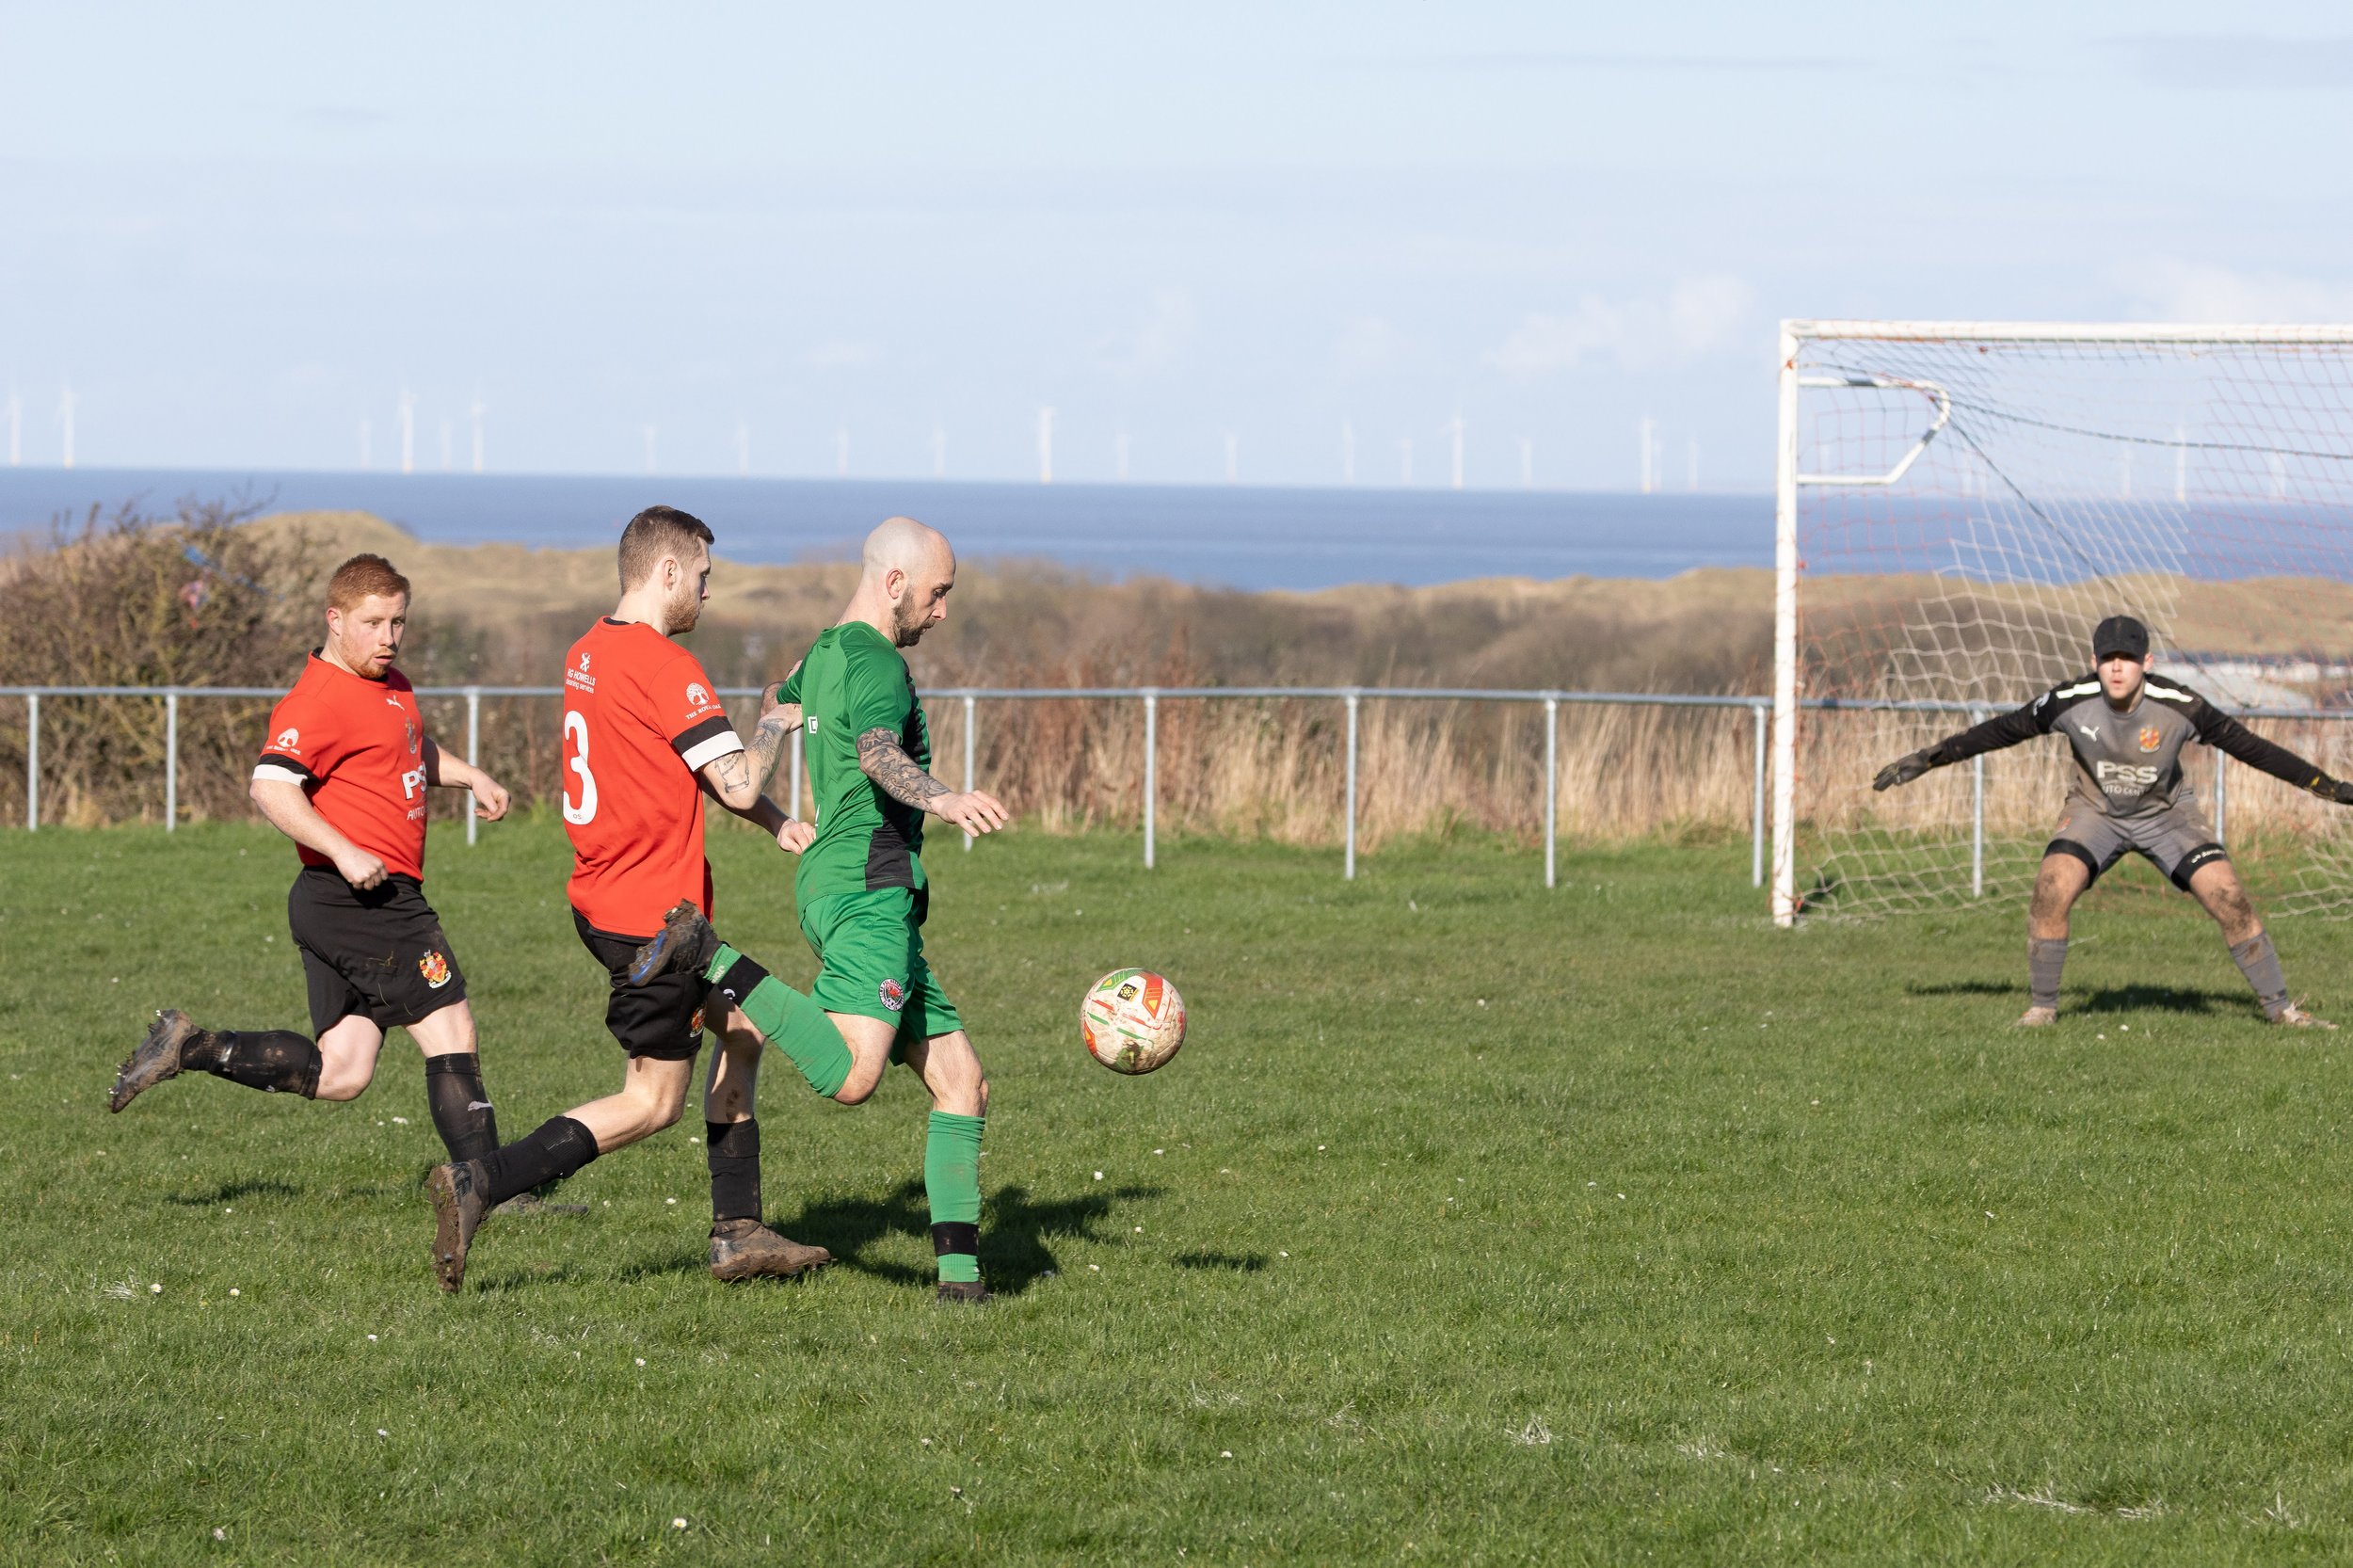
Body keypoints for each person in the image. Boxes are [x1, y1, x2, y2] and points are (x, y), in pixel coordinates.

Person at [424, 505, 830, 1291]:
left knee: (741, 1027)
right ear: (668, 570)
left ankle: (739, 1230)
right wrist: (777, 722)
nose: (709, 593)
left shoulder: (589, 651)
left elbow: (677, 768)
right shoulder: (667, 666)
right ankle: (485, 1183)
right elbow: (735, 773)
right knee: (651, 1101)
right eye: (705, 576)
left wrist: (774, 821)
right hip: (657, 923)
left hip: (604, 898)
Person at [628, 515, 1010, 1303]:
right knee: (853, 1077)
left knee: (961, 1081)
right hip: (868, 887)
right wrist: (945, 800)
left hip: (855, 890)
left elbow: (779, 694)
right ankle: (708, 955)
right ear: (895, 583)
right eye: (937, 595)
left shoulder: (827, 650)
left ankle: (963, 1286)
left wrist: (766, 736)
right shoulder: (876, 663)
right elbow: (878, 753)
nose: (942, 612)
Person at [109, 552, 548, 1206]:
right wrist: (344, 851)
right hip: (366, 900)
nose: (389, 637)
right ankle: (491, 1191)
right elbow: (269, 787)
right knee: (451, 1030)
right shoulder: (314, 700)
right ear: (335, 619)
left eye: (398, 621)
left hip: (335, 903)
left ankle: (193, 1046)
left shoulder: (392, 682)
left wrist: (469, 775)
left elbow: (406, 746)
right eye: (373, 623)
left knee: (343, 1073)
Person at [1873, 614, 2353, 1027]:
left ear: (2147, 662)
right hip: (2094, 813)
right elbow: (2001, 731)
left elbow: (2255, 749)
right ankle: (2042, 1010)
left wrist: (2329, 789)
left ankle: (2282, 1011)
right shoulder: (2067, 701)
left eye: (2127, 658)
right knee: (2050, 887)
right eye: (2108, 658)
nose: (2117, 667)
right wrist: (1930, 757)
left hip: (2168, 817)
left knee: (2229, 897)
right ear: (2095, 660)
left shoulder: (2182, 706)